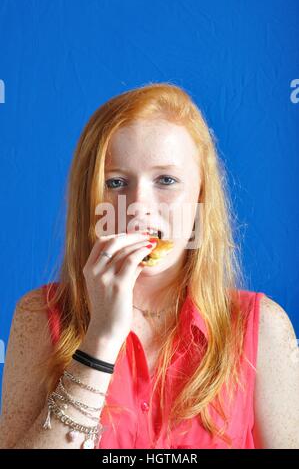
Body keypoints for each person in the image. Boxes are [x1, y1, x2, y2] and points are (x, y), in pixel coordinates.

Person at [0, 83, 298, 449]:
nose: (139, 206)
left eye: (167, 180)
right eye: (116, 182)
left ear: (200, 198)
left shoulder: (264, 328)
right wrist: (101, 339)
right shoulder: (37, 316)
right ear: (89, 199)